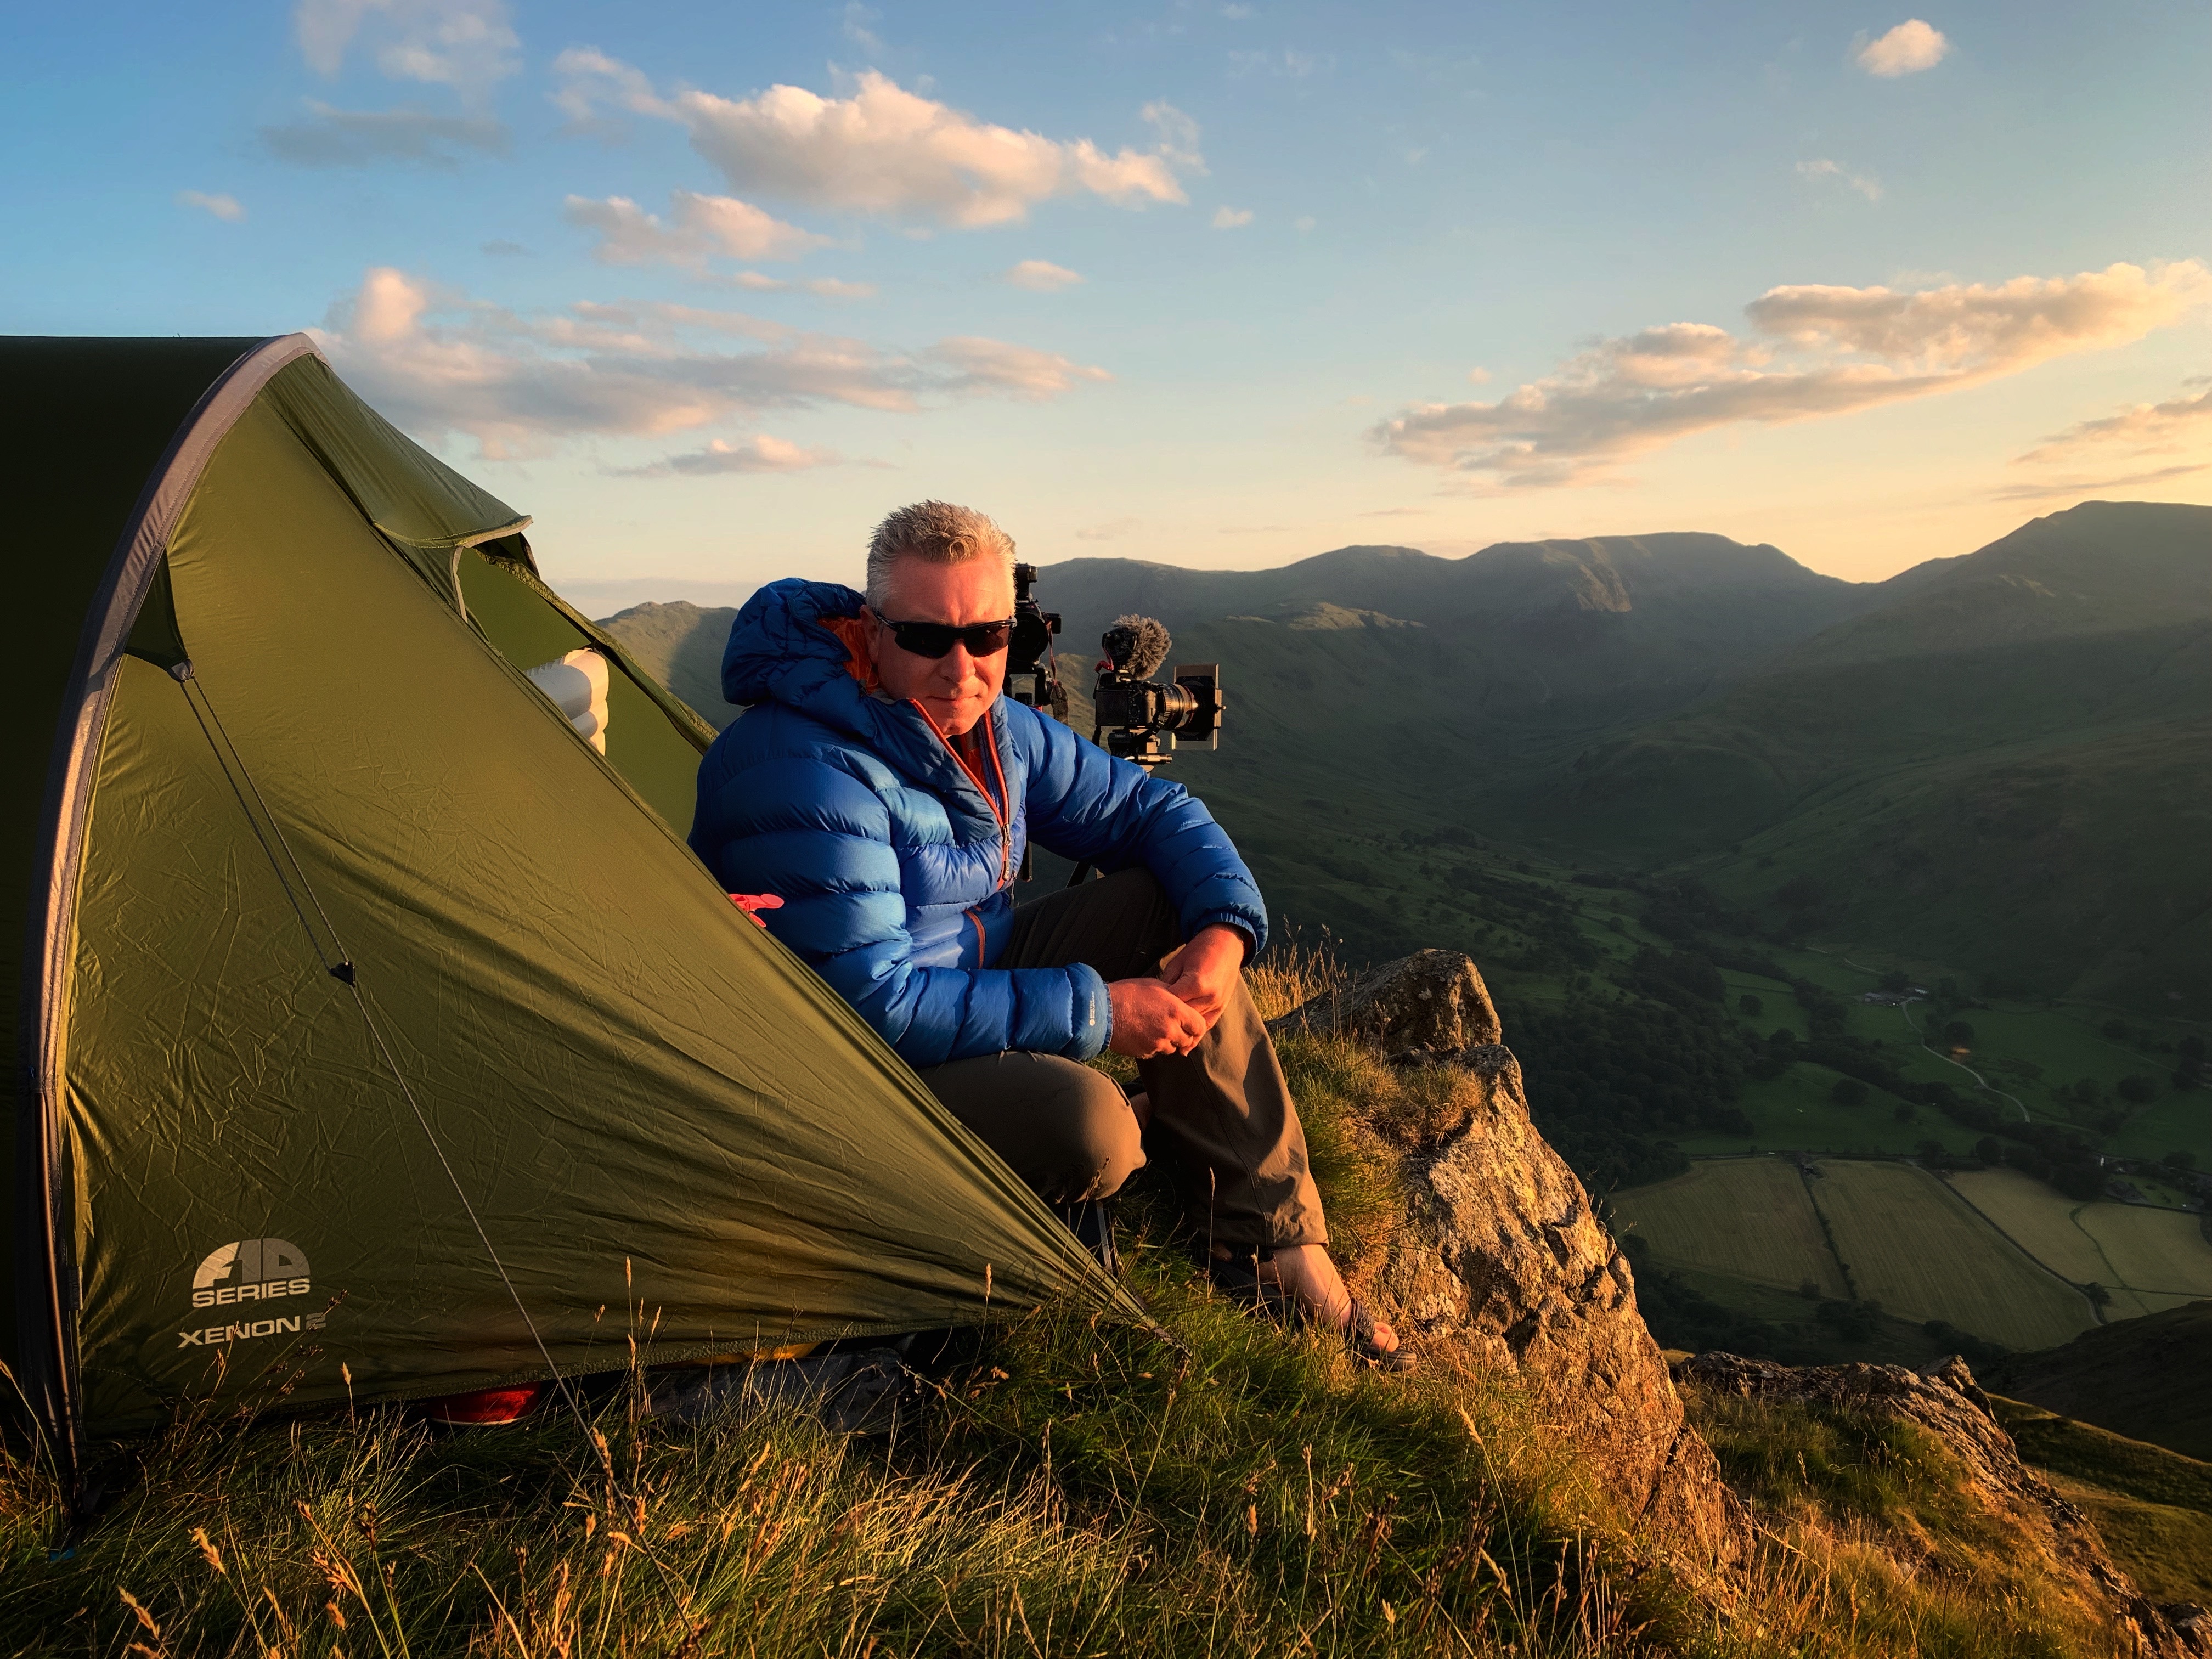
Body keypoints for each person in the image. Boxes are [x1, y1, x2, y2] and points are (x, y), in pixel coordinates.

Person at [691, 501, 1404, 1368]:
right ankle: (1147, 1136)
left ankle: (1273, 1244)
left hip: (961, 978)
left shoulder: (994, 730)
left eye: (987, 636)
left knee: (1161, 900)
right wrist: (1102, 1012)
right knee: (1093, 1131)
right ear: (871, 634)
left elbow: (1150, 807)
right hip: (849, 1064)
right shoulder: (804, 767)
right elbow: (873, 1006)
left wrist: (1222, 930)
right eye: (925, 636)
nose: (962, 668)